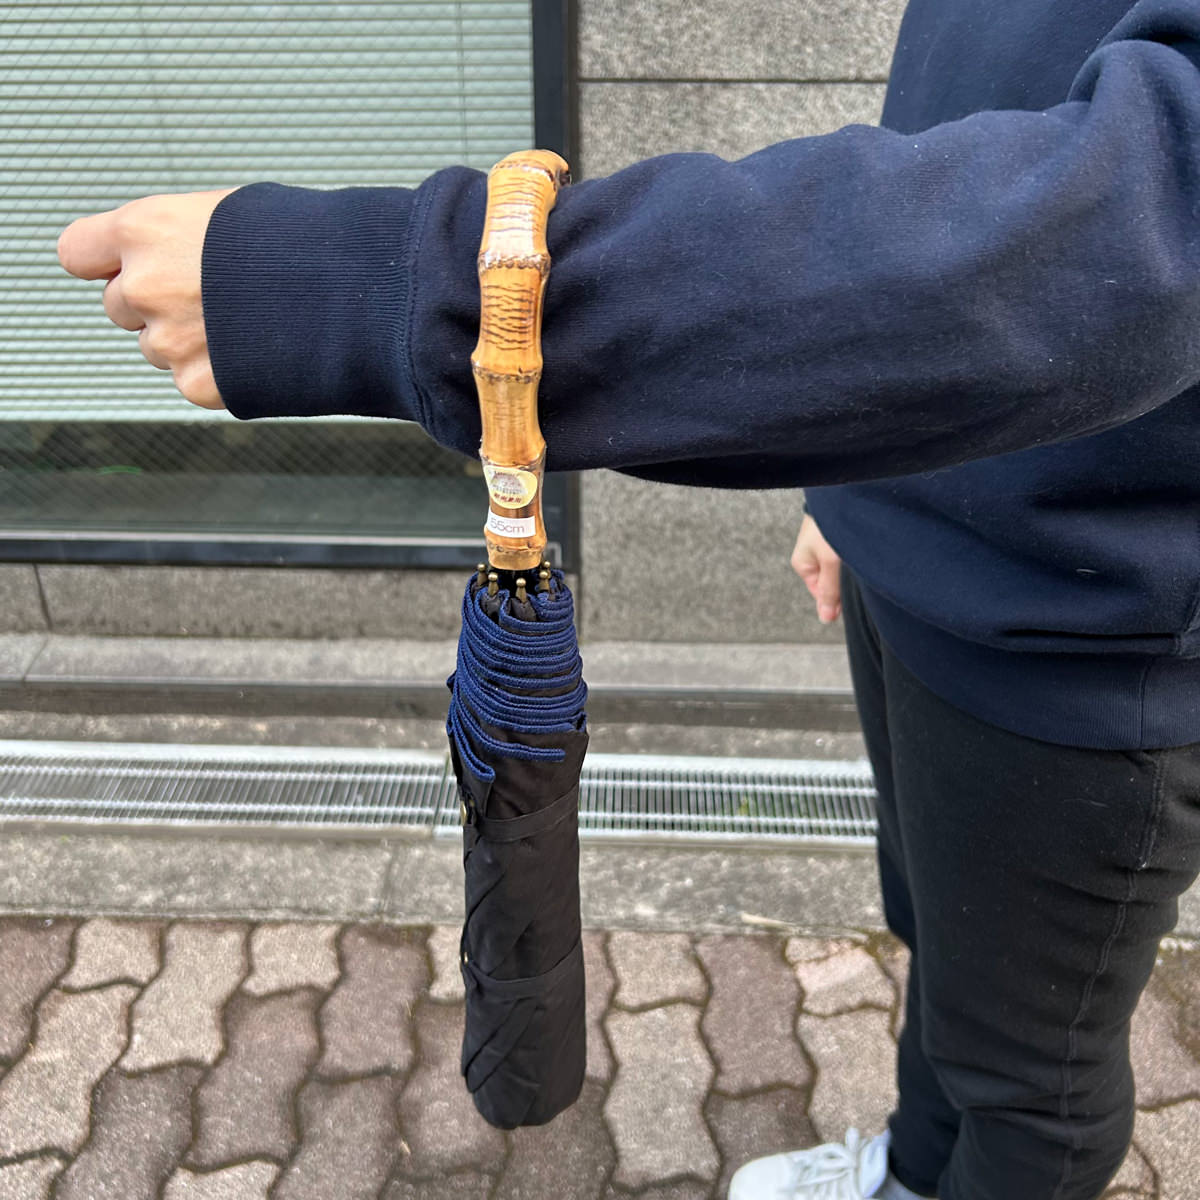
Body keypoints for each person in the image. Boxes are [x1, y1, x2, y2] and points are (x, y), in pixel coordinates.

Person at [54, 0, 1200, 1195]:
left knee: (1031, 1071)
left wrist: (393, 289)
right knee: (943, 946)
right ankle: (915, 1172)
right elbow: (963, 136)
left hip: (1094, 635)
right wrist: (854, 488)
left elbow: (1143, 218)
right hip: (920, 538)